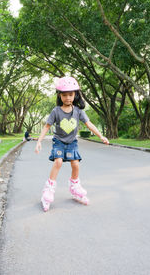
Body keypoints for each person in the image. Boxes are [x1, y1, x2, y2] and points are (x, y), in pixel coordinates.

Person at [35, 77, 109, 212]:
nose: (68, 97)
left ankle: (74, 186)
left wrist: (100, 136)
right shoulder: (56, 111)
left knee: (75, 164)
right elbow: (46, 126)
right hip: (59, 141)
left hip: (72, 143)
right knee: (58, 162)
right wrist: (39, 141)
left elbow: (89, 124)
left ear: (75, 95)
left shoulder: (78, 111)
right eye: (64, 95)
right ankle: (48, 190)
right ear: (60, 95)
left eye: (70, 94)